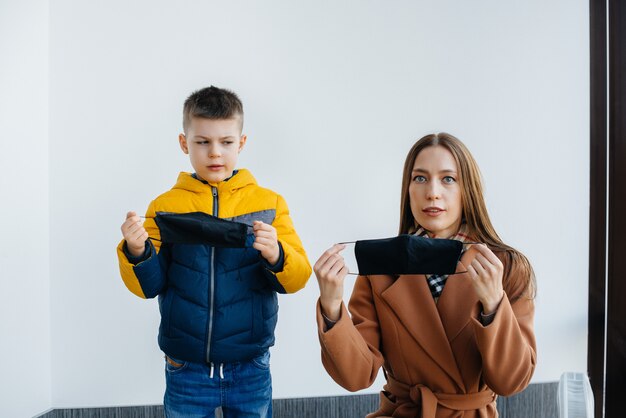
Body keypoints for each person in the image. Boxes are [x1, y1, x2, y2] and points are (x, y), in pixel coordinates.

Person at [117, 86, 312, 418]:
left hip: (250, 364)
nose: (215, 153)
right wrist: (137, 251)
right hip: (185, 367)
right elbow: (147, 288)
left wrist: (278, 255)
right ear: (184, 143)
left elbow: (297, 279)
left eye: (226, 142)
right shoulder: (165, 208)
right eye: (202, 142)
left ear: (242, 143)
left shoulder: (269, 204)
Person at [313, 133, 536, 418]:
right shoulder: (381, 268)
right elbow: (356, 376)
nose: (432, 192)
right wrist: (332, 307)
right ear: (407, 189)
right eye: (420, 178)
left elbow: (511, 381)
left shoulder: (505, 266)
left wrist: (493, 304)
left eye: (448, 179)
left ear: (468, 189)